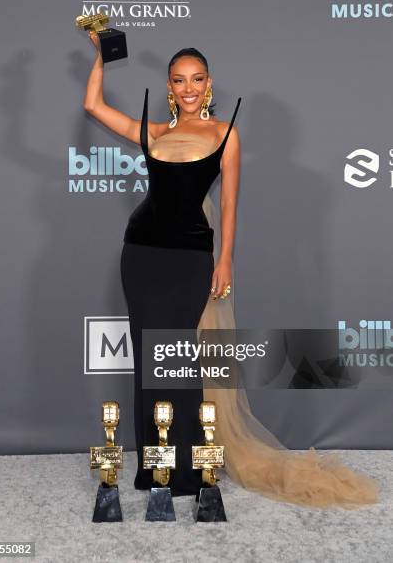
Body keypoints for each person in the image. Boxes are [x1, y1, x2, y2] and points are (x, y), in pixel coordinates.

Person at [84, 34, 380, 508]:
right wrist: (102, 55)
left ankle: (185, 470)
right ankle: (154, 468)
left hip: (191, 258)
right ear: (168, 86)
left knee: (177, 357)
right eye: (178, 80)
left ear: (209, 84)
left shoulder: (226, 133)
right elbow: (93, 106)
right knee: (148, 362)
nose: (188, 88)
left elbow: (229, 207)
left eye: (196, 79)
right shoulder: (155, 131)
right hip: (140, 254)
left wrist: (224, 260)